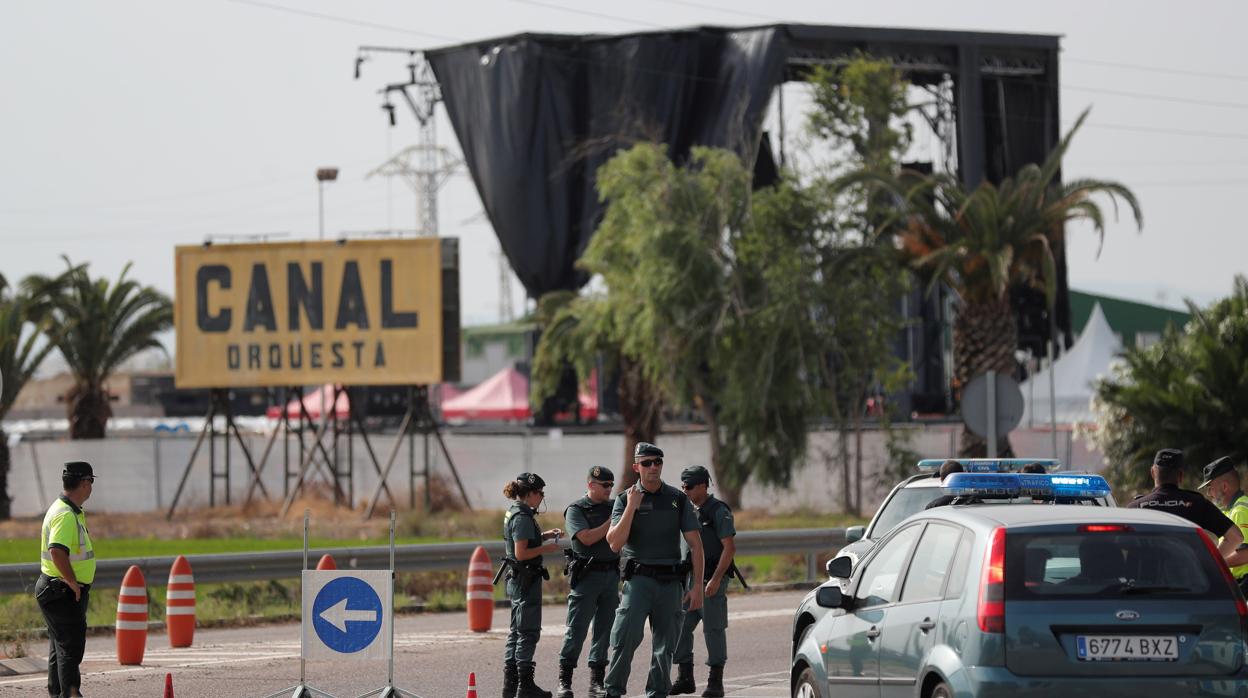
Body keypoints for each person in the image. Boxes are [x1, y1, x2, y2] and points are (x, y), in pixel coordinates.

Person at [602, 442, 704, 698]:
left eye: (657, 462)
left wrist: (697, 587)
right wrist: (631, 507)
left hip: (670, 584)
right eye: (647, 463)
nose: (653, 467)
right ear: (636, 467)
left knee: (665, 647)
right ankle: (613, 692)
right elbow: (615, 543)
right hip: (639, 582)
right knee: (625, 641)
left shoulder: (677, 499)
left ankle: (656, 693)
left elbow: (696, 545)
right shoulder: (625, 499)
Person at [670, 466, 737, 698]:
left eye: (688, 487)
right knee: (679, 627)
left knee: (713, 629)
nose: (684, 490)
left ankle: (715, 682)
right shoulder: (686, 511)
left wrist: (716, 580)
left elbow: (729, 548)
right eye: (682, 486)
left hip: (711, 579)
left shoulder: (718, 511)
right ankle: (684, 677)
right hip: (689, 580)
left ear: (702, 486)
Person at [557, 467, 620, 698]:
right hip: (587, 576)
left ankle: (596, 682)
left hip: (611, 575)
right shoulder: (577, 509)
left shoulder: (615, 506)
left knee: (604, 630)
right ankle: (565, 679)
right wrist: (613, 522)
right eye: (605, 485)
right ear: (591, 485)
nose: (609, 489)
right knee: (577, 629)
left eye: (611, 485)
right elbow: (586, 538)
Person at [1127, 449, 1248, 568]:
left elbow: (1118, 546)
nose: (1209, 494)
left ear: (1153, 472)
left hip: (1145, 585)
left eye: (1210, 488)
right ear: (1180, 476)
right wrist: (1206, 565)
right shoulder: (1197, 503)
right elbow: (1236, 537)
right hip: (1190, 585)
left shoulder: (1135, 508)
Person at [36, 461, 97, 698]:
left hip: (56, 589)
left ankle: (58, 694)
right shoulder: (65, 515)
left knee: (60, 648)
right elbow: (57, 551)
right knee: (70, 650)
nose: (91, 487)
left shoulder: (67, 510)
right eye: (90, 482)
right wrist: (72, 581)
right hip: (62, 591)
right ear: (84, 483)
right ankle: (71, 694)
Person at [500, 472, 564, 698]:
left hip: (519, 579)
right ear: (531, 494)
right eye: (540, 493)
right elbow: (521, 552)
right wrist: (546, 549)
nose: (542, 498)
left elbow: (524, 542)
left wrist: (545, 536)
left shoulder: (517, 512)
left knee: (516, 632)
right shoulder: (522, 517)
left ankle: (511, 685)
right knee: (527, 632)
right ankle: (524, 686)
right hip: (525, 580)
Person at [1197, 456, 1248, 593]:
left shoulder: (1240, 510)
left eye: (1209, 488)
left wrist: (1213, 564)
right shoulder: (1230, 510)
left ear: (1224, 487)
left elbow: (1245, 554)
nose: (1209, 494)